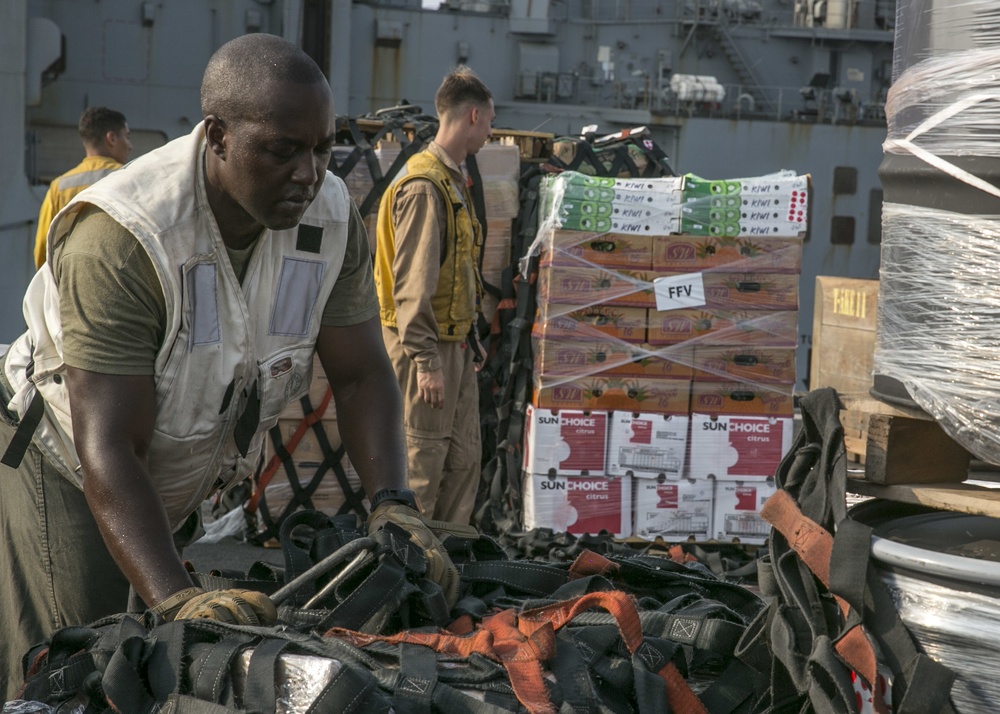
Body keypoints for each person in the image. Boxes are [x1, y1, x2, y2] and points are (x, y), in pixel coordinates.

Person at [0, 34, 458, 699]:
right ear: (216, 136)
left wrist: (393, 503)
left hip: (168, 470)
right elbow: (108, 443)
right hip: (67, 466)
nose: (308, 172)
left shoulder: (329, 219)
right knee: (80, 668)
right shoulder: (128, 237)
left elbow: (360, 374)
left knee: (155, 667)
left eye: (322, 148)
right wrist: (176, 598)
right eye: (281, 150)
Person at [373, 66, 495, 525]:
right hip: (425, 347)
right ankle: (412, 569)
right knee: (421, 464)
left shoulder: (450, 181)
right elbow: (412, 286)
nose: (489, 134)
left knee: (463, 459)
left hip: (454, 344)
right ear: (474, 116)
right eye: (490, 125)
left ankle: (450, 564)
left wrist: (471, 338)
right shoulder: (425, 187)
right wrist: (426, 361)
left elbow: (458, 274)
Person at [33, 106, 132, 268]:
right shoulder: (130, 178)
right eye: (127, 137)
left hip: (71, 282)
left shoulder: (60, 186)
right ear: (111, 138)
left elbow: (43, 250)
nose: (130, 145)